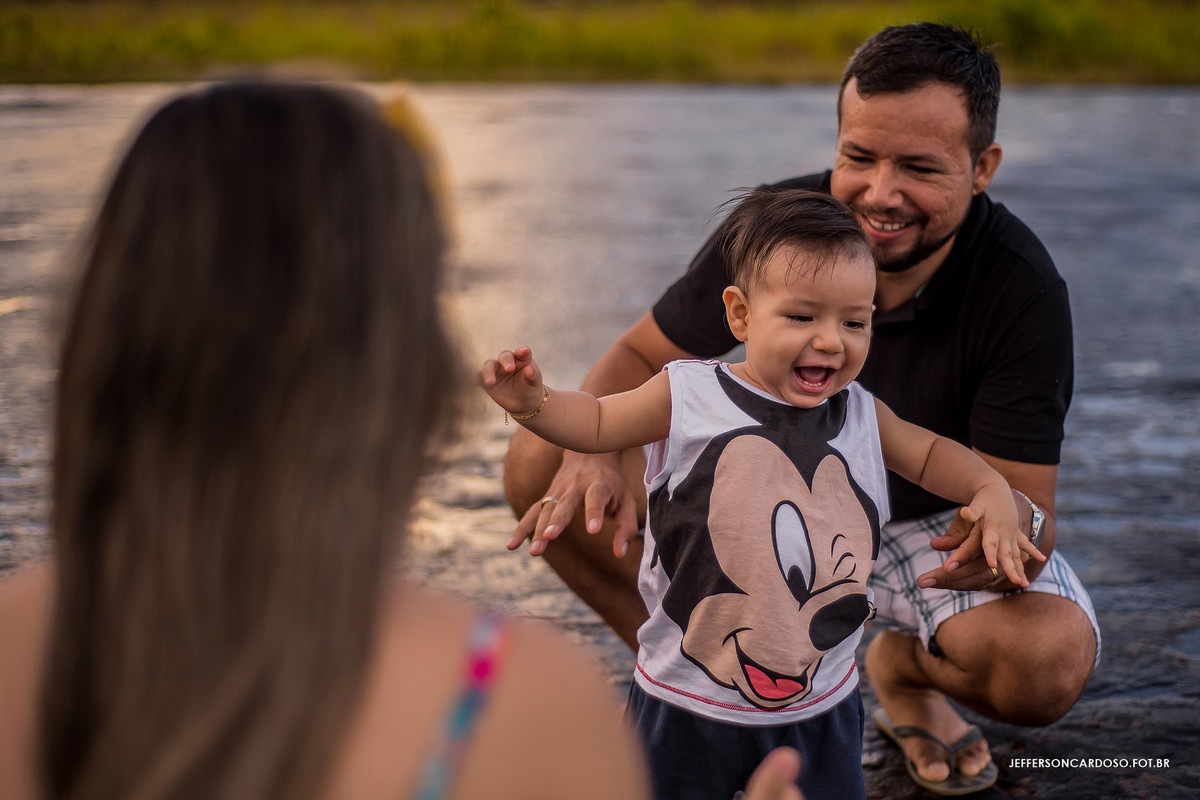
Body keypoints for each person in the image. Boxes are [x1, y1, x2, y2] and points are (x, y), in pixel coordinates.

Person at [502, 22, 1101, 796]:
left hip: (924, 525)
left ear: (982, 167)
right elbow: (640, 354)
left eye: (919, 167)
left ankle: (896, 672)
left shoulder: (1022, 292)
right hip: (754, 501)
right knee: (545, 458)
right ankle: (707, 685)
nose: (879, 194)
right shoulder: (779, 231)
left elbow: (1026, 513)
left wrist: (1001, 517)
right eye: (859, 156)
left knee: (1045, 658)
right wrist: (590, 452)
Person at [483, 188, 1043, 799]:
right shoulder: (687, 395)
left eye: (854, 321)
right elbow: (594, 423)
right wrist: (534, 403)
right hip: (684, 702)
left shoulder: (860, 412)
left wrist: (988, 486)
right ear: (741, 314)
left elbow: (932, 454)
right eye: (803, 317)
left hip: (819, 707)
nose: (832, 341)